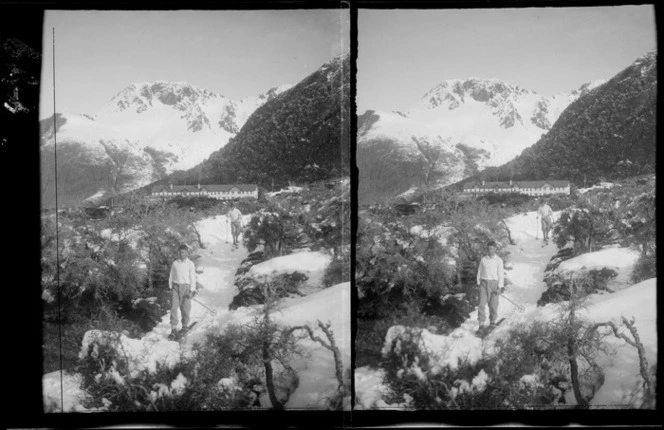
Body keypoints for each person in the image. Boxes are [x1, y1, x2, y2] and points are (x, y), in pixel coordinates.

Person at [168, 244, 197, 340]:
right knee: (173, 308)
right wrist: (170, 286)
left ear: (187, 253)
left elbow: (192, 278)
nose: (181, 254)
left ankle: (185, 326)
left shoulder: (190, 264)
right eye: (180, 252)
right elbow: (171, 275)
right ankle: (173, 329)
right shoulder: (175, 263)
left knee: (185, 308)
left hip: (186, 287)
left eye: (183, 252)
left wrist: (192, 291)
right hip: (175, 287)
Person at [476, 240, 504, 334]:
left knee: (493, 304)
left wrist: (500, 287)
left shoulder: (498, 260)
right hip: (483, 283)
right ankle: (481, 325)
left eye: (491, 249)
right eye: (488, 249)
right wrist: (478, 282)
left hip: (494, 284)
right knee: (481, 304)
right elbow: (479, 271)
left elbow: (500, 275)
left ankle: (492, 322)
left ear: (495, 249)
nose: (490, 250)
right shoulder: (483, 259)